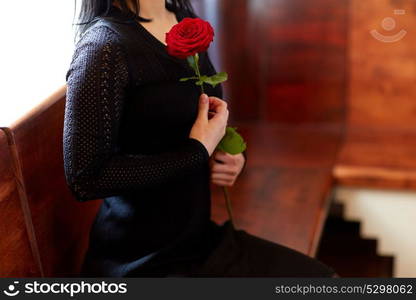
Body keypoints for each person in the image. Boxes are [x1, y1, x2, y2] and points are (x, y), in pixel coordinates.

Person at [63, 0, 337, 277]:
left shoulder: (183, 20)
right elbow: (85, 177)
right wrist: (196, 153)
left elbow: (201, 117)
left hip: (199, 241)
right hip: (140, 261)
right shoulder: (103, 47)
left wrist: (230, 156)